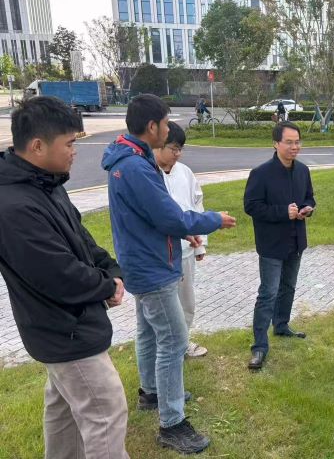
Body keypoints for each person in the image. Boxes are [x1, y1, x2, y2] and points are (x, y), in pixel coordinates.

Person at [102, 94, 236, 454]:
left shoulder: (131, 159)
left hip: (142, 262)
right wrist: (212, 220)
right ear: (152, 127)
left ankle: (151, 393)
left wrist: (182, 233)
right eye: (164, 123)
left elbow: (154, 217)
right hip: (152, 268)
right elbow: (169, 215)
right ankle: (172, 423)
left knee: (149, 332)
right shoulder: (135, 167)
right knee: (174, 340)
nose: (167, 129)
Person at [0, 96, 129, 458]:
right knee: (105, 412)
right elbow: (57, 274)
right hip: (63, 330)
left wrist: (111, 270)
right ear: (37, 146)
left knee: (64, 414)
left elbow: (81, 238)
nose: (75, 151)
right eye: (70, 143)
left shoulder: (46, 183)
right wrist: (106, 286)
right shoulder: (13, 206)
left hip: (65, 326)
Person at [244, 121, 315, 370]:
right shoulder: (261, 173)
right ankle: (259, 346)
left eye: (297, 142)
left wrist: (308, 208)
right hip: (271, 244)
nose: (294, 147)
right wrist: (282, 212)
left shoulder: (302, 170)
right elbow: (251, 206)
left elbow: (309, 197)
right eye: (289, 142)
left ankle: (282, 325)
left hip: (296, 241)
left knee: (288, 287)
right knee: (268, 293)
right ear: (276, 143)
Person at [154, 121, 209, 358]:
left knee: (186, 301)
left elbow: (197, 205)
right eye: (173, 149)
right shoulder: (148, 174)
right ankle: (164, 348)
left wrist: (200, 244)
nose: (178, 154)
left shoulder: (185, 172)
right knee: (164, 306)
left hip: (187, 248)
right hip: (160, 254)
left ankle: (183, 343)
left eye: (180, 149)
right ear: (158, 145)